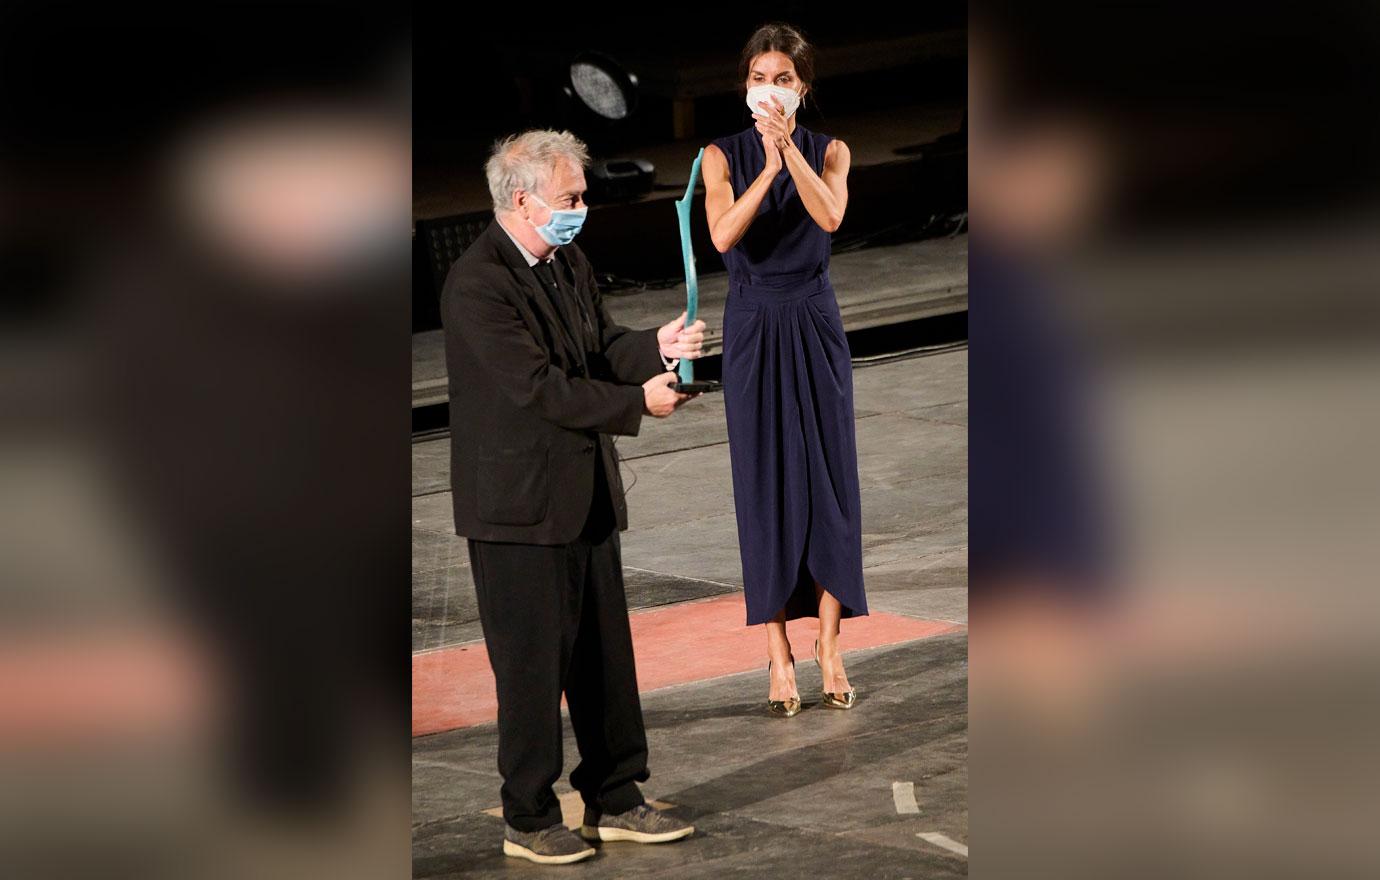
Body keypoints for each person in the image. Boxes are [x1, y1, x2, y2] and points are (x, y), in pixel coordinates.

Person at [442, 129, 703, 865]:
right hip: (517, 510)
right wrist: (633, 407)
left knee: (603, 660)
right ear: (522, 201)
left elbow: (599, 345)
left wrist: (658, 345)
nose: (581, 209)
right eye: (571, 198)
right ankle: (527, 816)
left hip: (581, 493)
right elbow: (536, 388)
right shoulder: (477, 283)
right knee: (531, 669)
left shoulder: (566, 261)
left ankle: (615, 796)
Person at [703, 23, 867, 718]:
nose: (769, 90)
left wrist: (790, 153)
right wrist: (765, 166)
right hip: (751, 326)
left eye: (783, 79)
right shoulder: (719, 155)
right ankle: (777, 654)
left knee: (832, 482)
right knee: (763, 483)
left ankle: (830, 644)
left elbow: (829, 217)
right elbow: (722, 234)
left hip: (814, 322)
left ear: (802, 89)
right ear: (745, 85)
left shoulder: (831, 150)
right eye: (759, 78)